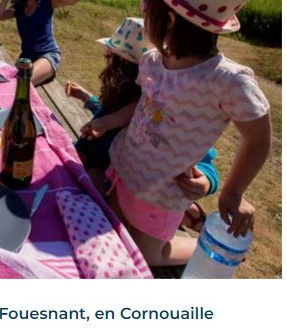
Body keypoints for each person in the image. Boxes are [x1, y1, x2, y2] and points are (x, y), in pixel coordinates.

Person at [105, 0, 271, 267]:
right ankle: (183, 217)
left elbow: (258, 137)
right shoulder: (153, 60)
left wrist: (233, 192)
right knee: (113, 225)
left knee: (148, 256)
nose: (142, 12)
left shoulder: (226, 80)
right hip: (126, 167)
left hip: (161, 193)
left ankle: (203, 245)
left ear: (167, 19)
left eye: (144, 7)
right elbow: (145, 106)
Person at [66, 17, 218, 232]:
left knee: (90, 194)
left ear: (125, 68)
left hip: (132, 185)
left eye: (111, 57)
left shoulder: (154, 107)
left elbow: (198, 153)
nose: (105, 59)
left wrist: (207, 179)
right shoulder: (122, 93)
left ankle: (190, 214)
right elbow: (109, 113)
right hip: (110, 169)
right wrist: (87, 99)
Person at [0, 0, 81, 85]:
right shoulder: (19, 7)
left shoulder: (47, 2)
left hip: (47, 55)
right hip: (26, 57)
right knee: (1, 82)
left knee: (22, 82)